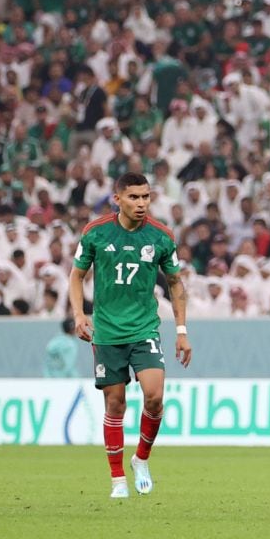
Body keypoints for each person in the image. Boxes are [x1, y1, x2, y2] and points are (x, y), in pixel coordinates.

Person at [67, 172, 193, 500]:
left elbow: (176, 283)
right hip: (107, 332)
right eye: (134, 197)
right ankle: (117, 478)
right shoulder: (95, 233)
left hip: (144, 329)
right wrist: (80, 315)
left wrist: (181, 331)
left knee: (154, 396)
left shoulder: (162, 237)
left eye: (146, 197)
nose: (141, 203)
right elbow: (76, 276)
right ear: (117, 198)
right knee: (115, 403)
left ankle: (141, 459)